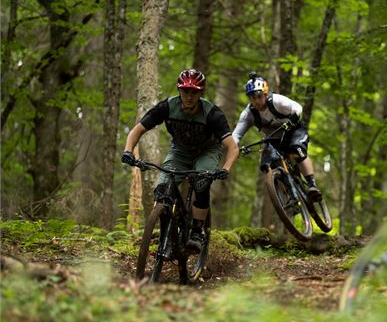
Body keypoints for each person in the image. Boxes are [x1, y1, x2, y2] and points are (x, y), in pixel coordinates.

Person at [122, 68, 239, 251]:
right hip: (180, 151)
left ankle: (197, 231)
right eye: (185, 91)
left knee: (201, 181)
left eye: (194, 92)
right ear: (179, 90)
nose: (189, 96)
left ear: (201, 93)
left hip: (207, 151)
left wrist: (226, 168)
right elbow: (137, 130)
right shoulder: (167, 107)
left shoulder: (212, 114)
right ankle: (168, 236)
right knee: (162, 190)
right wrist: (128, 151)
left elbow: (232, 147)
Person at [232, 71, 322, 202]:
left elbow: (297, 107)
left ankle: (312, 185)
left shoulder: (276, 101)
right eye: (251, 97)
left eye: (258, 96)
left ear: (265, 94)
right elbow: (236, 135)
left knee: (297, 149)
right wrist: (234, 147)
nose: (255, 101)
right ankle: (288, 196)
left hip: (294, 131)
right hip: (274, 138)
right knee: (267, 165)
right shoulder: (248, 114)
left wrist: (292, 119)